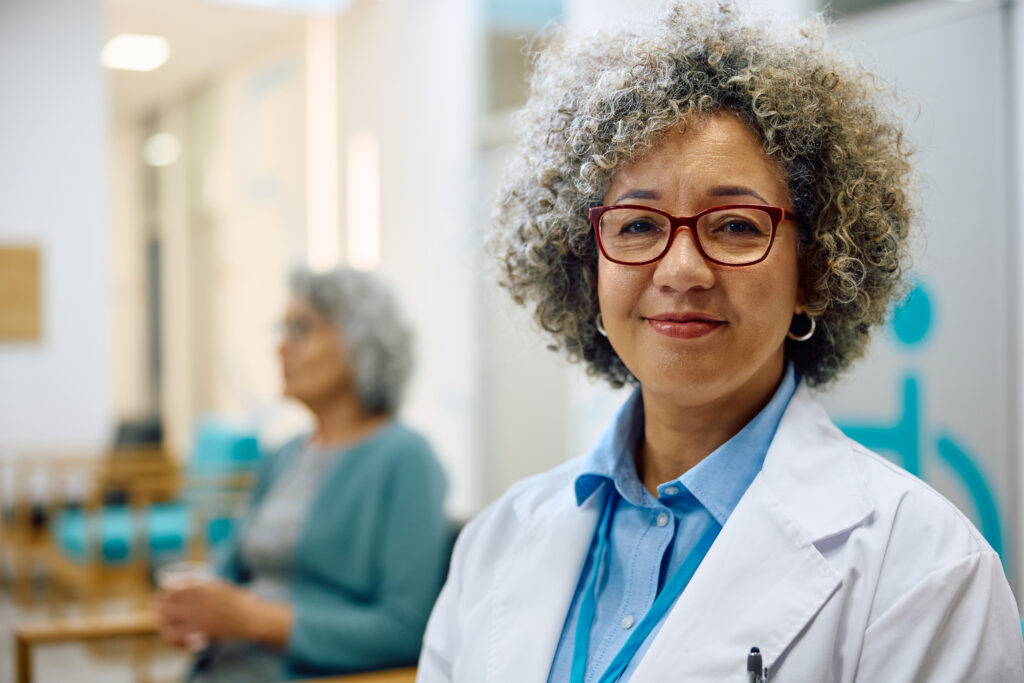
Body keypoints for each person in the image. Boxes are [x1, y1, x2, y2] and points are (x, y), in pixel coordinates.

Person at [418, 3, 1024, 682]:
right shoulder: (495, 543)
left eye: (735, 225)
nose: (681, 269)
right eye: (639, 225)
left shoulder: (924, 569)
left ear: (815, 266)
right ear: (585, 265)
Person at [156, 266, 450, 681]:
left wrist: (256, 620)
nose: (281, 348)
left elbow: (406, 628)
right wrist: (197, 608)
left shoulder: (406, 458)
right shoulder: (286, 453)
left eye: (301, 330)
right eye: (282, 329)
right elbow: (231, 568)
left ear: (359, 344)